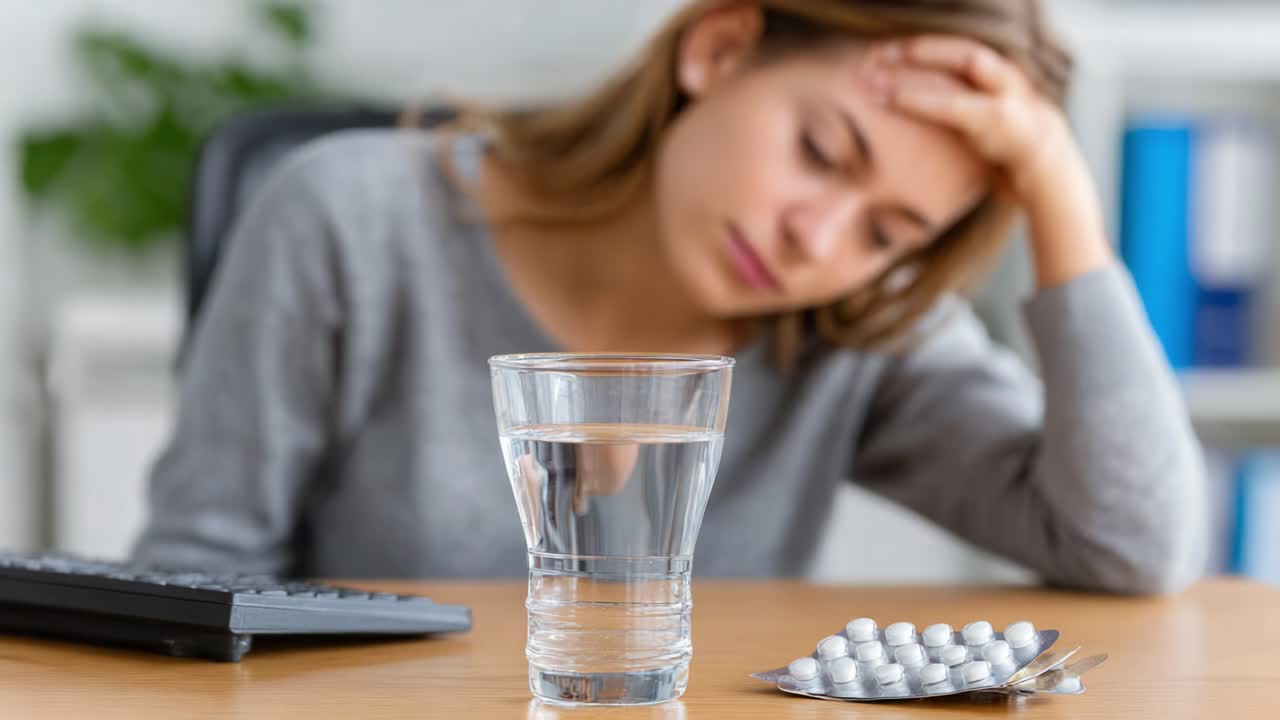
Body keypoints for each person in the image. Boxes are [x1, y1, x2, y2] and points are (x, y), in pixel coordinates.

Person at [133, 0, 1206, 593]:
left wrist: (1061, 197)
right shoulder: (352, 216)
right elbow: (193, 582)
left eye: (888, 232)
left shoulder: (854, 328)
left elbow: (1130, 544)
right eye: (821, 152)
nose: (815, 241)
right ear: (719, 45)